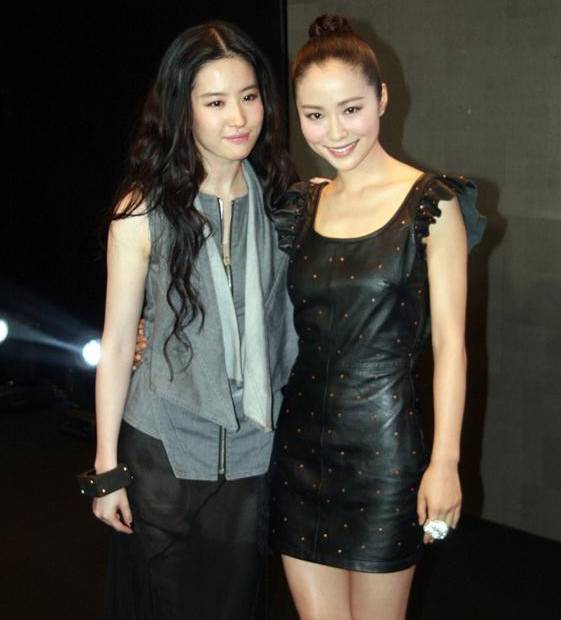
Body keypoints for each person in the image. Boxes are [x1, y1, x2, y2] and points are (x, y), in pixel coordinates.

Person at [267, 14, 486, 620]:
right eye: (315, 115)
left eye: (351, 109)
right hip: (299, 449)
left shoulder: (432, 204)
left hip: (384, 454)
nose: (335, 132)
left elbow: (451, 346)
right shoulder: (301, 204)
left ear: (382, 98)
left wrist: (445, 463)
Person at [77, 21, 298, 620]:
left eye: (249, 96)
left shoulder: (287, 204)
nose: (239, 117)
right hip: (163, 450)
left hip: (255, 450)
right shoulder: (143, 210)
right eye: (216, 102)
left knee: (234, 607)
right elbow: (118, 343)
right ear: (184, 110)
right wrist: (106, 469)